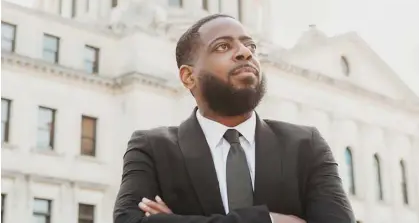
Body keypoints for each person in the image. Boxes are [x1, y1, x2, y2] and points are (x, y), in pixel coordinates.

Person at [113, 14, 356, 223]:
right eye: (222, 47)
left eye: (251, 46)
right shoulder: (152, 148)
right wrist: (267, 220)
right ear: (188, 77)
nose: (244, 53)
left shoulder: (306, 145)